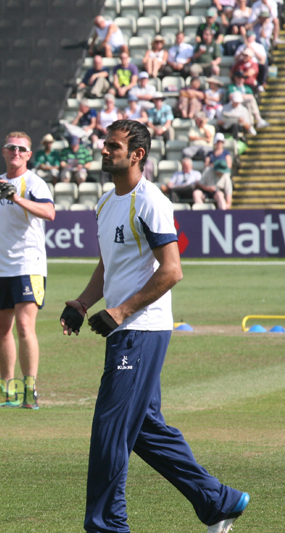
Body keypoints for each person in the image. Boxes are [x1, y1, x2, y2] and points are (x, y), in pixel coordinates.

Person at [60, 119, 250, 533]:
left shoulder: (152, 202)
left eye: (112, 145)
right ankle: (220, 501)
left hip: (141, 330)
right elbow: (109, 264)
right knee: (144, 429)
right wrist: (83, 302)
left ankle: (108, 526)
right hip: (126, 329)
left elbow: (172, 270)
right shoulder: (107, 203)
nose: (104, 149)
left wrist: (122, 311)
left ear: (137, 155)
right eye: (104, 143)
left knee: (110, 430)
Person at [0, 132, 55, 409]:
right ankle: (5, 388)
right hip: (0, 266)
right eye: (12, 148)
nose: (16, 152)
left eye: (22, 149)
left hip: (28, 264)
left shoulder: (34, 183)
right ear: (4, 151)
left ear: (29, 155)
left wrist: (18, 198)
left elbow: (49, 213)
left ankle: (29, 388)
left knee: (24, 325)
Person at [197, 133, 234, 209]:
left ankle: (223, 214)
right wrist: (208, 188)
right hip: (207, 189)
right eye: (218, 142)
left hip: (218, 191)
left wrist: (228, 203)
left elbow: (228, 191)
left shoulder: (225, 176)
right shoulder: (208, 170)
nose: (219, 144)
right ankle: (200, 213)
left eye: (221, 142)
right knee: (196, 193)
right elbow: (200, 182)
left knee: (220, 195)